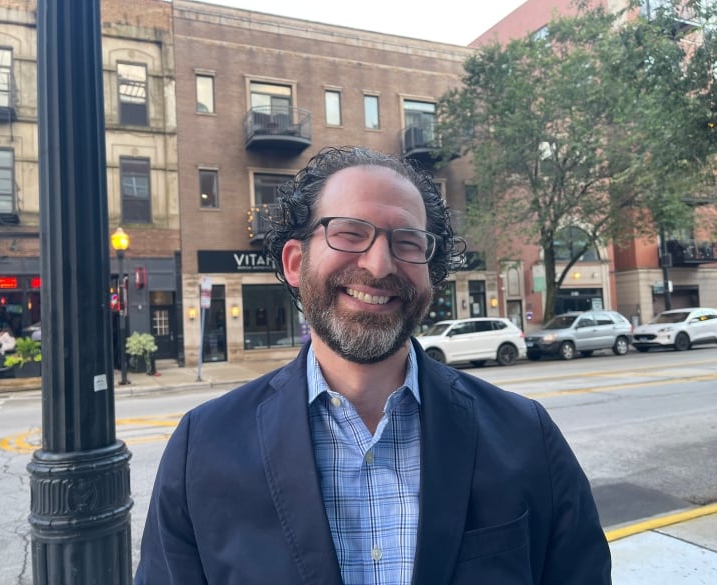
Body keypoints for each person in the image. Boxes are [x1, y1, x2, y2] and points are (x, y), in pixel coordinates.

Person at [136, 147, 611, 584]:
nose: (380, 264)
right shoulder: (203, 448)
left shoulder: (526, 436)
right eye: (349, 233)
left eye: (408, 242)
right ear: (296, 262)